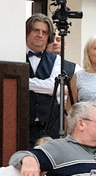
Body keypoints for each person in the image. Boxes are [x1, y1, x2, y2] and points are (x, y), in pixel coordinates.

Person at [25, 13, 72, 144]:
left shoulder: (56, 59)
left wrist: (23, 82)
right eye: (36, 30)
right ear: (27, 32)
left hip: (50, 124)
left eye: (44, 32)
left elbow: (54, 87)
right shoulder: (16, 56)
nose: (40, 35)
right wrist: (41, 85)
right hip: (22, 122)